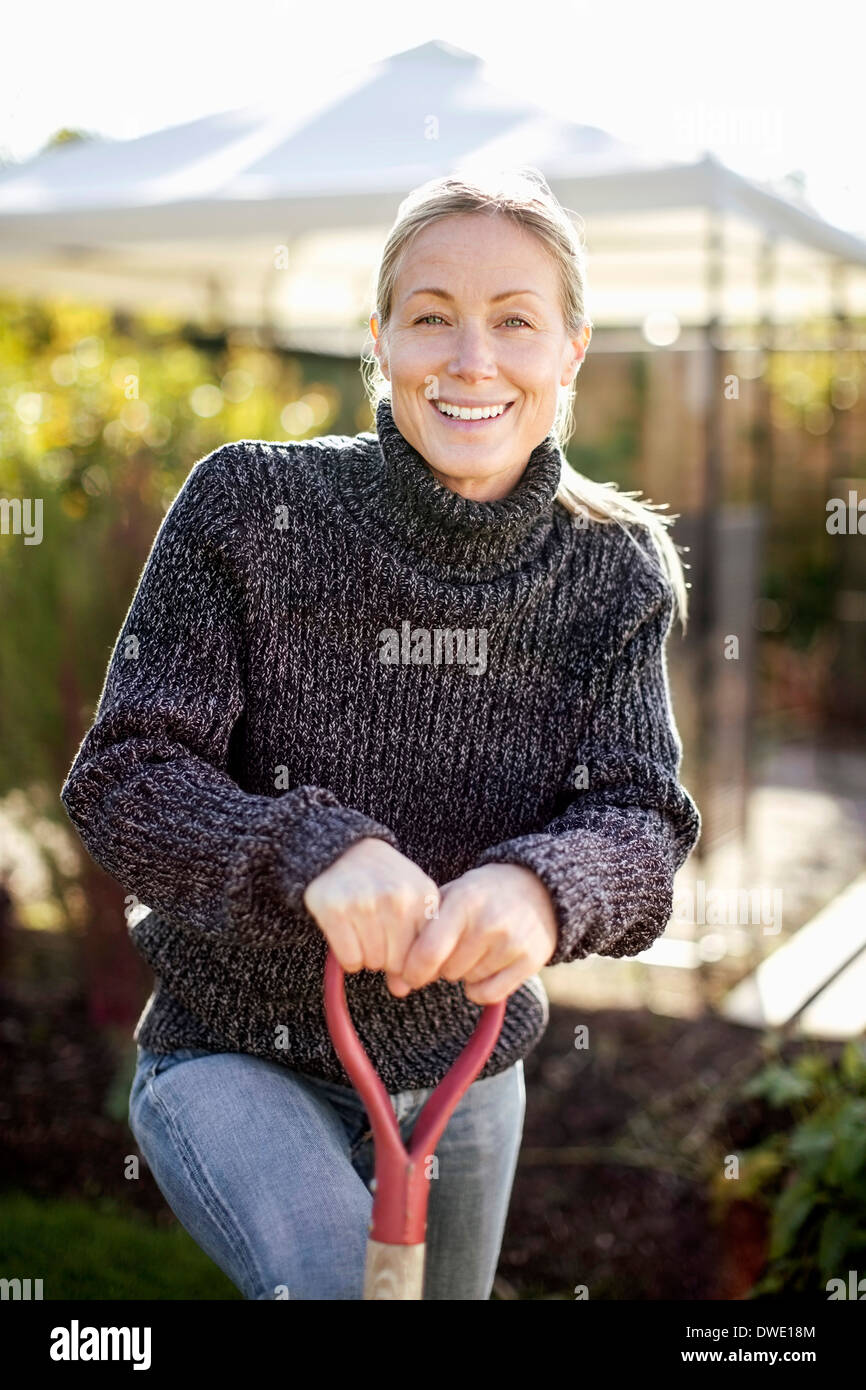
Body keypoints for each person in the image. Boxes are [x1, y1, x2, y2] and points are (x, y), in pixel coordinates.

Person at [60, 166, 701, 1300]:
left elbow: (638, 817)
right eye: (431, 319)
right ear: (379, 341)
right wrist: (312, 853)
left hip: (465, 1068)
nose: (470, 360)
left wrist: (542, 887)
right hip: (232, 1051)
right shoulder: (249, 509)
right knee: (333, 1283)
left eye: (514, 321)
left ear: (570, 351)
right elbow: (126, 774)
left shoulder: (612, 571)